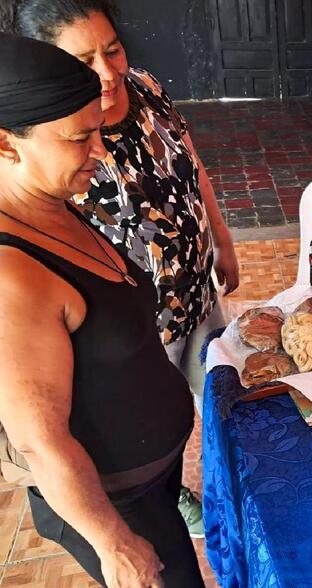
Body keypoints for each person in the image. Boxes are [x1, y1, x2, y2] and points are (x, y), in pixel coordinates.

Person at [3, 0, 241, 537]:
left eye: (112, 49)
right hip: (137, 324)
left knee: (222, 396)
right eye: (84, 60)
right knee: (153, 427)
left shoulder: (145, 88)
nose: (107, 73)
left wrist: (220, 236)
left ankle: (237, 486)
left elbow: (188, 158)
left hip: (196, 292)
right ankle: (172, 494)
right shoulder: (50, 137)